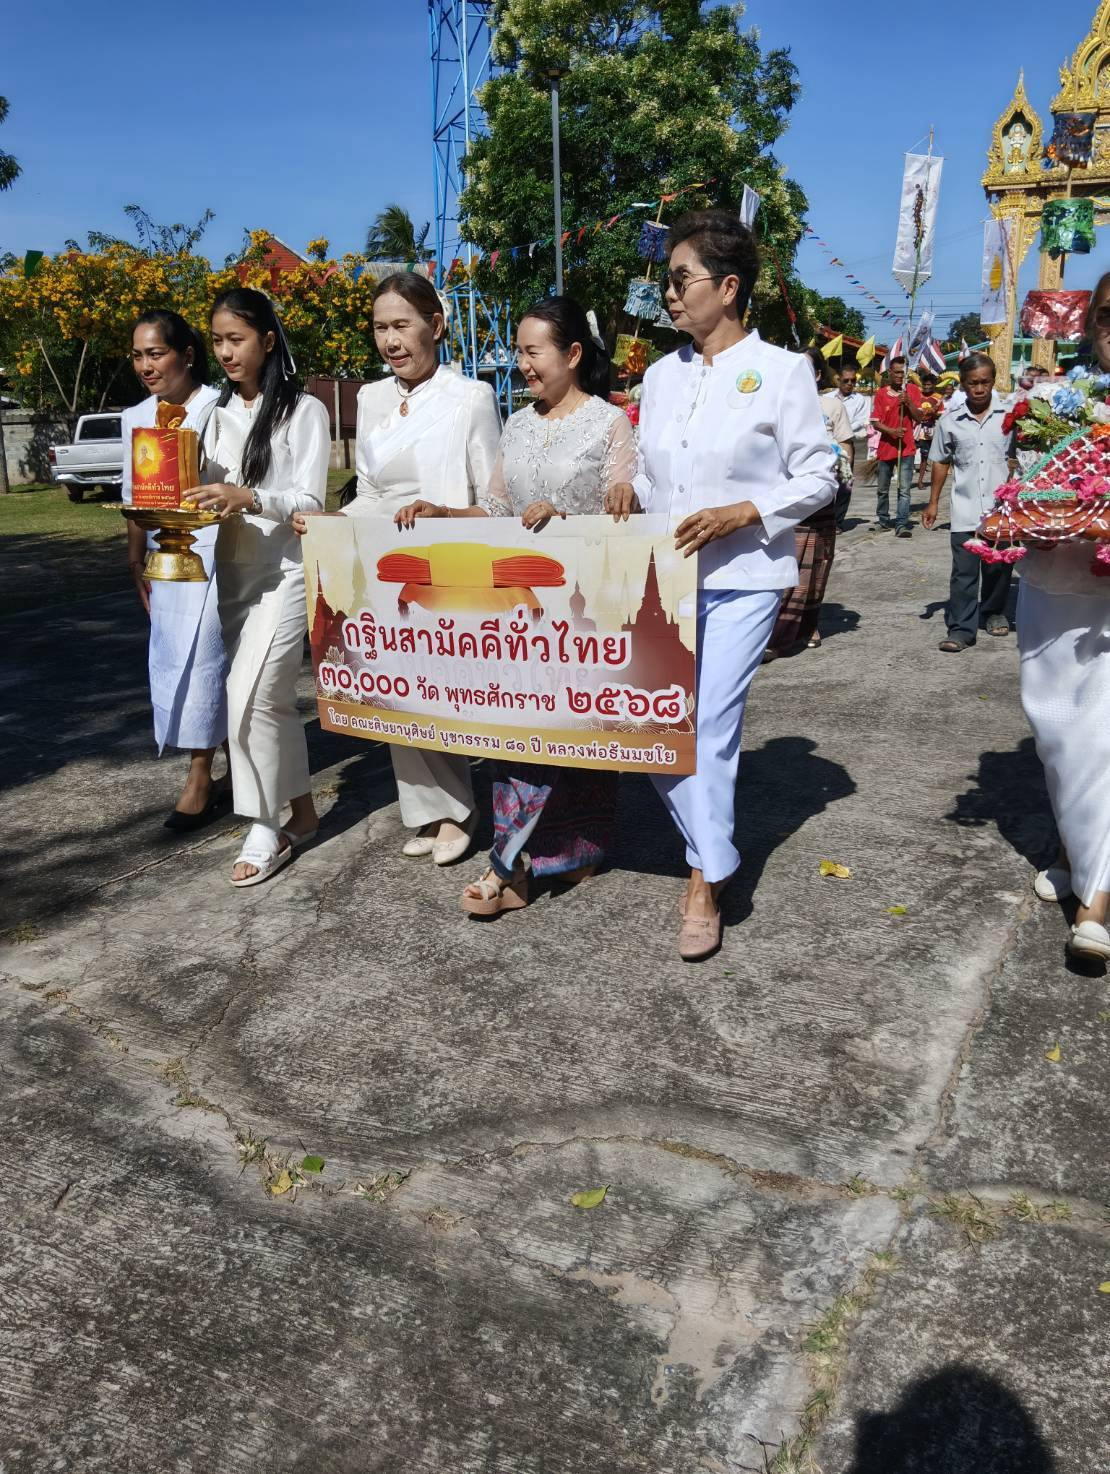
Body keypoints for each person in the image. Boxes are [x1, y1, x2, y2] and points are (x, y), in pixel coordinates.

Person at [609, 209, 836, 960]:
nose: (669, 296)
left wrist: (748, 509)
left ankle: (705, 877)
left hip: (743, 579)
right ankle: (719, 851)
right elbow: (651, 465)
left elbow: (821, 475)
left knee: (707, 729)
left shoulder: (781, 371)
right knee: (648, 726)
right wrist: (630, 488)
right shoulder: (661, 375)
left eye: (682, 280)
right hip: (665, 581)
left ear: (729, 287)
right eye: (667, 282)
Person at [394, 296, 638, 914]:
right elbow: (499, 510)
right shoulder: (519, 423)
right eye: (521, 351)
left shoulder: (612, 423)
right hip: (522, 619)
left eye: (533, 351)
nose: (522, 364)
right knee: (520, 733)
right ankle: (512, 866)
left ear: (573, 355)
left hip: (584, 611)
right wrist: (443, 513)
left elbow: (626, 513)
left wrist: (582, 511)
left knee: (578, 737)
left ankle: (574, 850)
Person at [293, 272, 500, 866]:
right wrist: (334, 522)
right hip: (377, 562)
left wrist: (443, 515)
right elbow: (369, 488)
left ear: (435, 326)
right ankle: (428, 812)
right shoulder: (372, 397)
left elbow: (494, 500)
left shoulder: (471, 398)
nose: (390, 340)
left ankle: (459, 809)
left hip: (444, 564)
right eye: (381, 327)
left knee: (441, 688)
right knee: (396, 689)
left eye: (401, 325)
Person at [191, 288, 330, 887]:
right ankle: (302, 811)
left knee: (245, 699)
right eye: (217, 340)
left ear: (267, 341)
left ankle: (262, 825)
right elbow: (197, 492)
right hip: (235, 576)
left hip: (287, 573)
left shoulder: (305, 412)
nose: (225, 352)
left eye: (236, 339)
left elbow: (311, 502)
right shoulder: (211, 416)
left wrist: (248, 496)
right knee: (269, 703)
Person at [1019, 275, 1110, 961]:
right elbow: (1023, 490)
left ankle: (1096, 902)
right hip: (1054, 580)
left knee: (1101, 738)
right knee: (1055, 733)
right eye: (1108, 315)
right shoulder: (1054, 398)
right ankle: (1078, 854)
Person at [121, 310, 230, 830]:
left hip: (215, 553)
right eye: (139, 355)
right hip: (165, 562)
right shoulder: (135, 417)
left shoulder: (220, 408)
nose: (147, 365)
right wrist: (135, 560)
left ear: (187, 354)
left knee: (206, 658)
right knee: (171, 657)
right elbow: (133, 496)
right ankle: (231, 764)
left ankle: (200, 775)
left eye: (156, 353)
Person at [923, 354, 1017, 652]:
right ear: (962, 385)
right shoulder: (949, 422)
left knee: (998, 568)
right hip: (964, 508)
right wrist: (933, 503)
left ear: (994, 381)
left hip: (1001, 509)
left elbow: (1024, 457)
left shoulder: (1011, 417)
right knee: (963, 573)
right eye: (973, 383)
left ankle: (992, 612)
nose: (979, 389)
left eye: (985, 382)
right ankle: (962, 629)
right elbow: (939, 462)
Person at [764, 348, 847, 657]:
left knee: (816, 564)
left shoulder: (831, 406)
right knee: (785, 559)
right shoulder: (774, 402)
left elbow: (847, 444)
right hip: (783, 496)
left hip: (821, 495)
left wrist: (841, 465)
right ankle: (774, 632)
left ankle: (809, 623)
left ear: (816, 375)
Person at [871, 357, 924, 536]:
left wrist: (908, 403)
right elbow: (875, 422)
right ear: (890, 373)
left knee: (904, 489)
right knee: (882, 489)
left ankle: (901, 523)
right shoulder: (881, 394)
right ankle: (883, 519)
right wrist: (892, 431)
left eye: (903, 372)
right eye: (897, 372)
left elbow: (919, 418)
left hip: (906, 448)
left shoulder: (913, 391)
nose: (900, 376)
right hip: (886, 447)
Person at [830, 361, 871, 528]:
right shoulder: (828, 398)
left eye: (853, 381)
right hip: (828, 445)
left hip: (846, 446)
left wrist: (841, 428)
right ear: (839, 380)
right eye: (846, 380)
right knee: (827, 483)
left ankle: (838, 521)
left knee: (845, 484)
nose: (849, 384)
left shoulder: (860, 400)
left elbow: (861, 421)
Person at [914, 370, 944, 488]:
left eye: (929, 385)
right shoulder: (917, 395)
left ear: (933, 385)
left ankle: (920, 481)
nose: (926, 387)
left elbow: (941, 414)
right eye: (924, 385)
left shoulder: (938, 398)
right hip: (916, 428)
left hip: (929, 430)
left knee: (925, 456)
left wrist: (933, 413)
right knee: (909, 453)